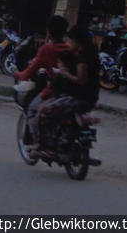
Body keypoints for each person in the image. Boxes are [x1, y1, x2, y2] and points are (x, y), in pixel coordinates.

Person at [33, 25, 99, 156]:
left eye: (69, 41)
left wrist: (65, 73)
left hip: (77, 99)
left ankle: (46, 147)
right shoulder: (92, 54)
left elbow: (80, 80)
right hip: (90, 99)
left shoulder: (82, 58)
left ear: (77, 41)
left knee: (42, 111)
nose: (68, 44)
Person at [13, 14, 70, 140]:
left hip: (55, 90)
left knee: (33, 108)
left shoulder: (47, 49)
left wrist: (16, 74)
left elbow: (28, 72)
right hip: (74, 90)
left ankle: (37, 142)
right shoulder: (71, 48)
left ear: (49, 31)